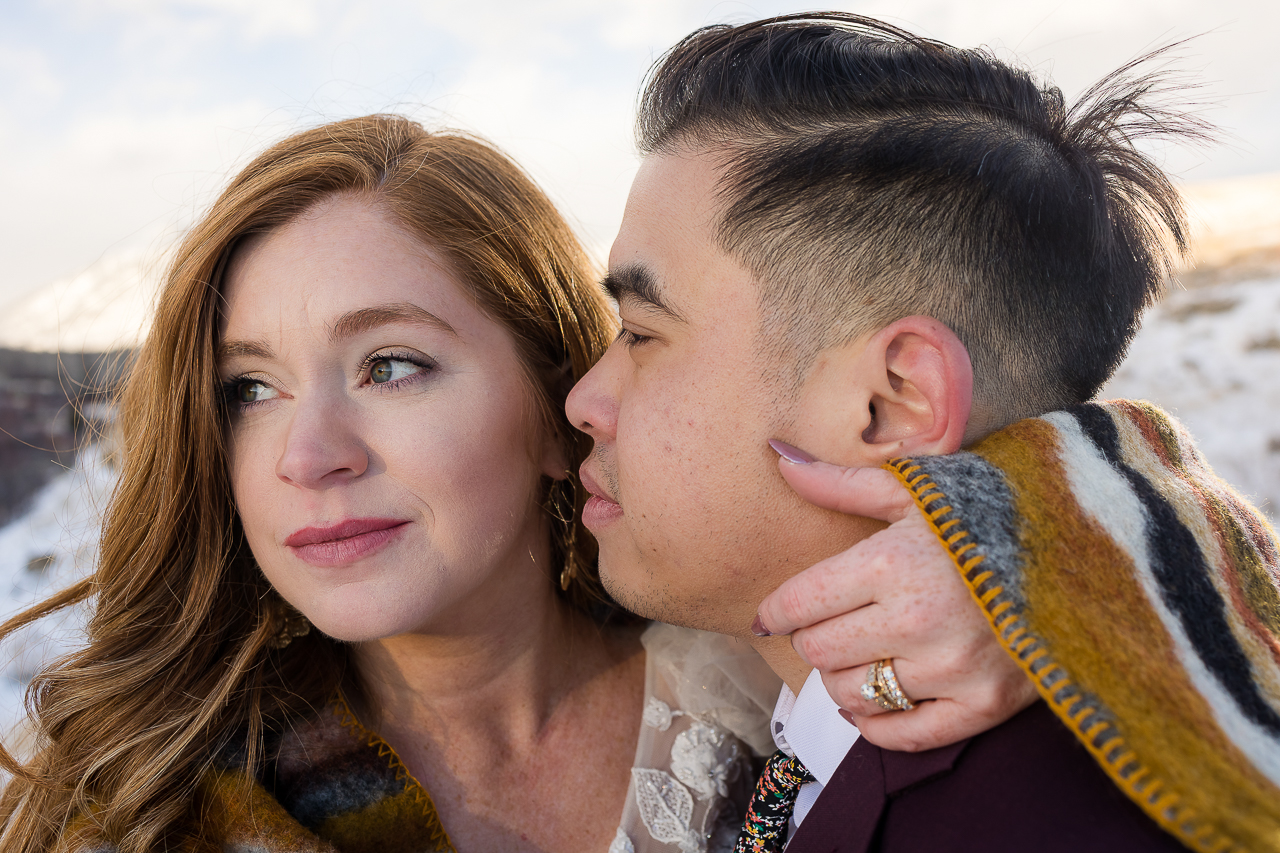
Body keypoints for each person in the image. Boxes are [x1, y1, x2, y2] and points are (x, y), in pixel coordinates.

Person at [0, 115, 1027, 853]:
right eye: (249, 388)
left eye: (390, 364)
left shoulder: (796, 705)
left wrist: (1036, 569)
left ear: (556, 405)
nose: (306, 456)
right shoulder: (129, 796)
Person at [567, 12, 1280, 853]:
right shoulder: (804, 745)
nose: (584, 398)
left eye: (643, 333)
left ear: (893, 402)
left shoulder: (1054, 823)